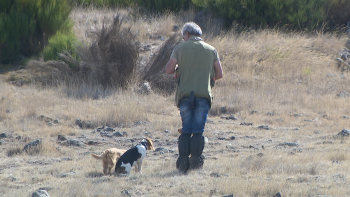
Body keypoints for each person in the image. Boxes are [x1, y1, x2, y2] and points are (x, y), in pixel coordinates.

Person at [165, 22, 223, 173]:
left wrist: (179, 69)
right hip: (203, 96)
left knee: (186, 129)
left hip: (184, 95)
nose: (183, 38)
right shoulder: (211, 50)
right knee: (198, 130)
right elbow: (220, 74)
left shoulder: (180, 48)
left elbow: (169, 69)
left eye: (183, 35)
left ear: (187, 34)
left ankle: (183, 163)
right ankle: (196, 163)